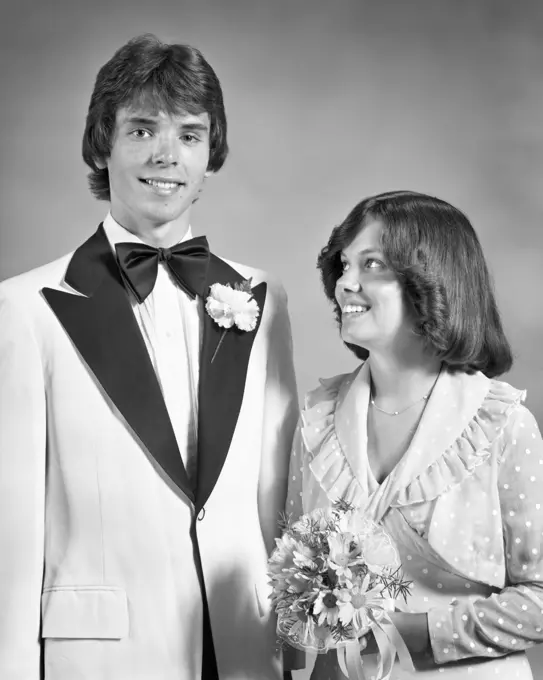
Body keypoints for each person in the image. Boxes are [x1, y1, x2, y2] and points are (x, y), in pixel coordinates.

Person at [0, 34, 298, 680]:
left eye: (190, 135)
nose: (167, 155)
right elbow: (11, 536)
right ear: (101, 144)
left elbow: (276, 499)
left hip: (243, 647)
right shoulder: (24, 310)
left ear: (210, 156)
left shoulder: (262, 302)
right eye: (142, 130)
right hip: (102, 657)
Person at [285, 191, 543, 679]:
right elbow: (292, 578)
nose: (346, 284)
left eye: (372, 264)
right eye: (343, 265)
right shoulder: (316, 421)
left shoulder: (502, 425)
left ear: (433, 280)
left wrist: (415, 633)